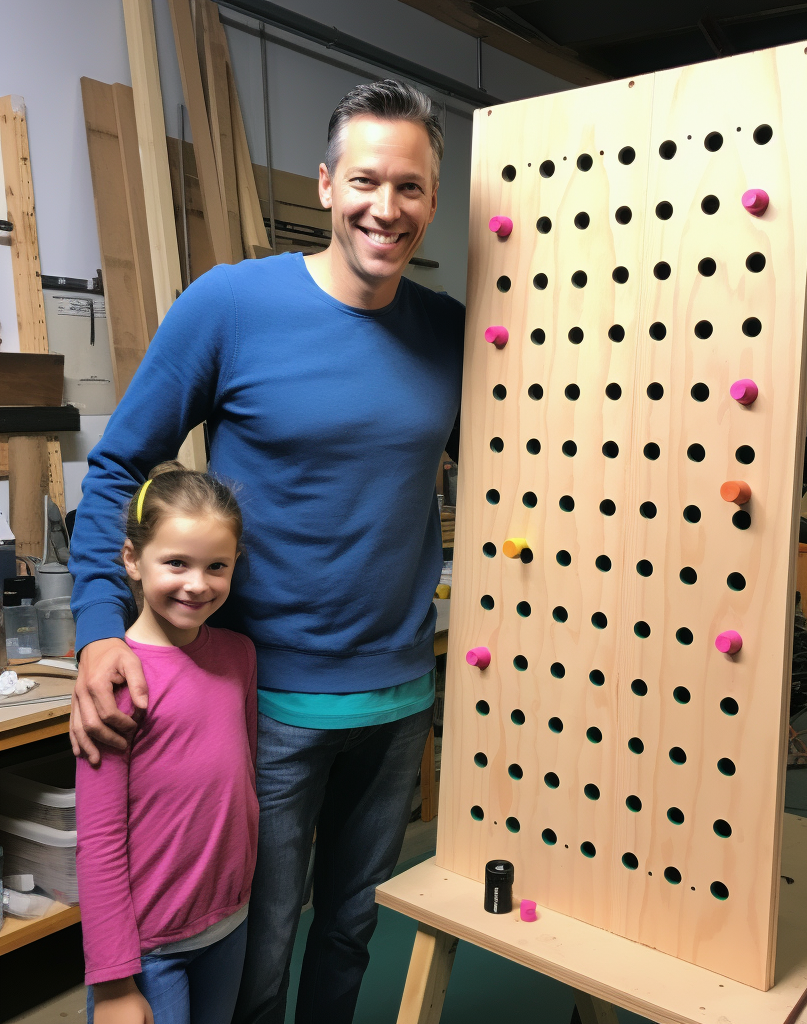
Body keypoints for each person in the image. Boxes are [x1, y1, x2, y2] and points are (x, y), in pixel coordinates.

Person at [69, 80, 463, 1024]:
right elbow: (119, 466)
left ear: (432, 202)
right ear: (327, 185)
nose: (387, 207)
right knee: (262, 943)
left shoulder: (448, 333)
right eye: (366, 180)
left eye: (411, 187)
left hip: (401, 693)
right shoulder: (233, 305)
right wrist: (95, 630)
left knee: (353, 927)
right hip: (266, 698)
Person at [77, 462, 256, 1024]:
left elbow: (241, 781)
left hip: (228, 923)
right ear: (132, 559)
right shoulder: (117, 683)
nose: (197, 583)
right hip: (149, 948)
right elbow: (99, 840)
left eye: (216, 566)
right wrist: (112, 983)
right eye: (176, 562)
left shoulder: (238, 656)